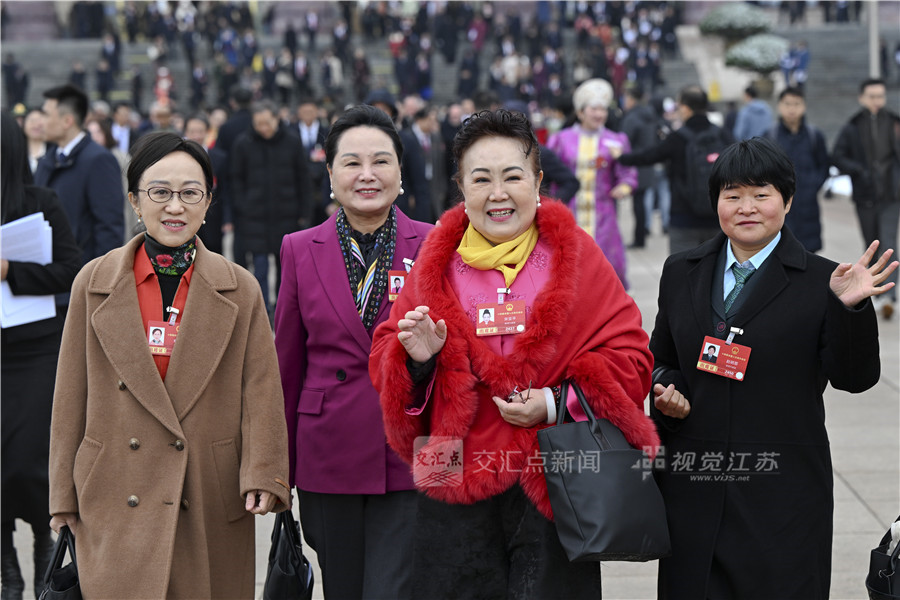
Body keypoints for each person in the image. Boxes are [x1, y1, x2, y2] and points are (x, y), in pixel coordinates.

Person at [369, 109, 658, 598]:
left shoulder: (577, 255)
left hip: (555, 479)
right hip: (453, 475)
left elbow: (632, 357)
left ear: (538, 181)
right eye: (481, 179)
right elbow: (385, 358)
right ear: (461, 187)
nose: (498, 193)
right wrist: (416, 359)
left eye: (513, 177)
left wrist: (553, 402)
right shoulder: (434, 265)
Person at [649, 137, 896, 599]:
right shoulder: (682, 271)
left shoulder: (824, 280)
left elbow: (854, 379)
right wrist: (666, 390)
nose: (746, 208)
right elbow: (661, 359)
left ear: (787, 201)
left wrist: (849, 310)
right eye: (733, 195)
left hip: (782, 493)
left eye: (761, 194)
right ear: (716, 202)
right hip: (694, 485)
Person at [48, 132, 291, 599]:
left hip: (206, 487)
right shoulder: (93, 282)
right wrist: (62, 493)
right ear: (135, 201)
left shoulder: (240, 287)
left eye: (190, 193)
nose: (175, 206)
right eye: (159, 192)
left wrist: (264, 469)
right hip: (114, 482)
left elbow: (261, 386)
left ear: (208, 203)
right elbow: (70, 393)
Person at [274, 104, 433, 600]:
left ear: (400, 173)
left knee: (397, 589)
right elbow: (287, 366)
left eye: (381, 161)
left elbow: (457, 368)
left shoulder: (435, 244)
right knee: (342, 588)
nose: (367, 174)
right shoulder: (299, 248)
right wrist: (279, 471)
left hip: (412, 453)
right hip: (328, 452)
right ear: (330, 174)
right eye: (352, 162)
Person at [1, 112, 82, 600]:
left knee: (30, 461)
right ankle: (8, 572)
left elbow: (71, 269)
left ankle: (41, 552)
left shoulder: (41, 203)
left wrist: (11, 270)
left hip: (34, 351)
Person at [619, 85, 734, 254]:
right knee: (717, 268)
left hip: (683, 217)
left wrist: (621, 157)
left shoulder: (678, 138)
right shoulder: (722, 135)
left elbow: (649, 156)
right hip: (718, 216)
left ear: (686, 108)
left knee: (682, 267)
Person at [546, 78, 637, 288]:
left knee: (607, 264)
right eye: (594, 109)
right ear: (580, 112)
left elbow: (627, 171)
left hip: (603, 212)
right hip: (568, 210)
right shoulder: (560, 139)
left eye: (603, 109)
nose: (599, 114)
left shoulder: (617, 140)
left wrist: (625, 186)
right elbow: (548, 171)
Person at [232, 100, 313, 312]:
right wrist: (243, 205)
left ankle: (283, 309)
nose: (263, 128)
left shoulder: (292, 141)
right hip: (255, 215)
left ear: (277, 119)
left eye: (267, 123)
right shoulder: (244, 143)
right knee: (259, 266)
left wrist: (304, 211)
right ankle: (262, 309)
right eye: (259, 123)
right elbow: (236, 179)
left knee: (284, 266)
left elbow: (302, 178)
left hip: (286, 213)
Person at [34, 83, 124, 267]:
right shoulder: (47, 161)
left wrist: (97, 277)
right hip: (47, 273)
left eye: (46, 115)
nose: (40, 122)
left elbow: (109, 227)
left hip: (81, 274)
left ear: (67, 121)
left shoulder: (99, 160)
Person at [832, 78, 900, 319]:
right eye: (872, 96)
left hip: (892, 194)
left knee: (889, 243)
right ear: (862, 98)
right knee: (872, 244)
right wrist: (859, 171)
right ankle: (875, 291)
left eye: (880, 96)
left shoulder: (894, 122)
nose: (876, 101)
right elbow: (837, 156)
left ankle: (889, 296)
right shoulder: (852, 126)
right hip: (865, 196)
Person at [769, 87, 829, 253]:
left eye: (796, 104)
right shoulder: (770, 136)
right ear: (779, 106)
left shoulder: (814, 136)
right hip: (779, 206)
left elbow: (824, 165)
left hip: (808, 207)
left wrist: (813, 186)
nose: (792, 109)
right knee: (780, 253)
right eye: (787, 104)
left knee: (809, 255)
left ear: (804, 106)